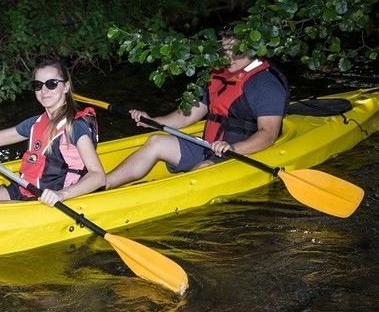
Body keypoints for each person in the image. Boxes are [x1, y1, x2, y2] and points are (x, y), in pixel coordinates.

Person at [105, 25, 289, 189]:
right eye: (225, 51)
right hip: (208, 146)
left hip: (240, 153)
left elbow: (268, 133)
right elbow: (187, 115)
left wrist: (233, 148)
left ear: (251, 48)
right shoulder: (217, 74)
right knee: (156, 142)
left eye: (236, 52)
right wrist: (153, 121)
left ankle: (165, 197)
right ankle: (104, 184)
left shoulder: (266, 84)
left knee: (202, 169)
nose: (230, 58)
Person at [0, 59, 105, 206]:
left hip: (48, 199)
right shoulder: (35, 123)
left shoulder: (75, 126)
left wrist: (61, 194)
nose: (44, 90)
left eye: (52, 84)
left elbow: (98, 176)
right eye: (38, 85)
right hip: (23, 190)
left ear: (66, 87)